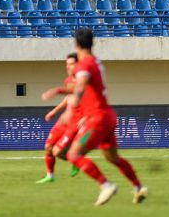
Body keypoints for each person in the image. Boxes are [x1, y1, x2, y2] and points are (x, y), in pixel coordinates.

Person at [63, 28, 148, 206]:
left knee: (73, 154)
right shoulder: (96, 61)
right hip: (108, 115)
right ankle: (138, 187)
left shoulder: (84, 65)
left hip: (97, 118)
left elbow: (79, 88)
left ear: (76, 44)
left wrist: (71, 109)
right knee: (112, 158)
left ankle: (106, 185)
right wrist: (59, 91)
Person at [36, 53, 80, 183]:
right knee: (48, 147)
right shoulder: (68, 81)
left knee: (58, 152)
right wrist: (54, 111)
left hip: (74, 122)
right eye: (66, 64)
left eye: (71, 64)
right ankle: (50, 175)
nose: (68, 67)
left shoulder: (85, 81)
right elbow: (69, 98)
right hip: (63, 121)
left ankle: (77, 161)